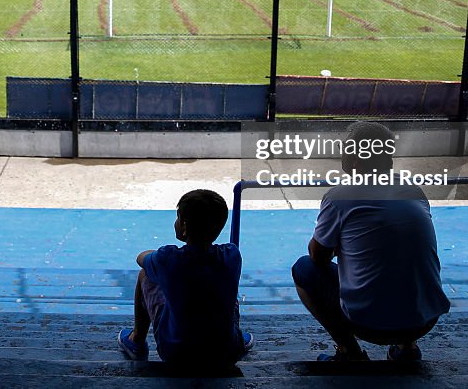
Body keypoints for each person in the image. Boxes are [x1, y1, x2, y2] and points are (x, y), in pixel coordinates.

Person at [292, 121, 450, 362]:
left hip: (369, 325)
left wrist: (341, 245)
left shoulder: (339, 197)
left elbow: (317, 257)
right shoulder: (413, 190)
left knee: (303, 269)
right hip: (425, 320)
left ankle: (349, 351)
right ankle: (407, 348)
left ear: (355, 159)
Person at [117, 189, 253, 367]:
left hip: (177, 353)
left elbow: (141, 258)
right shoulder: (232, 255)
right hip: (227, 352)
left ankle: (137, 340)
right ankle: (234, 335)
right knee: (227, 293)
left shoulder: (167, 258)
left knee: (145, 275)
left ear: (185, 226)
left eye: (178, 218)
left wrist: (156, 255)